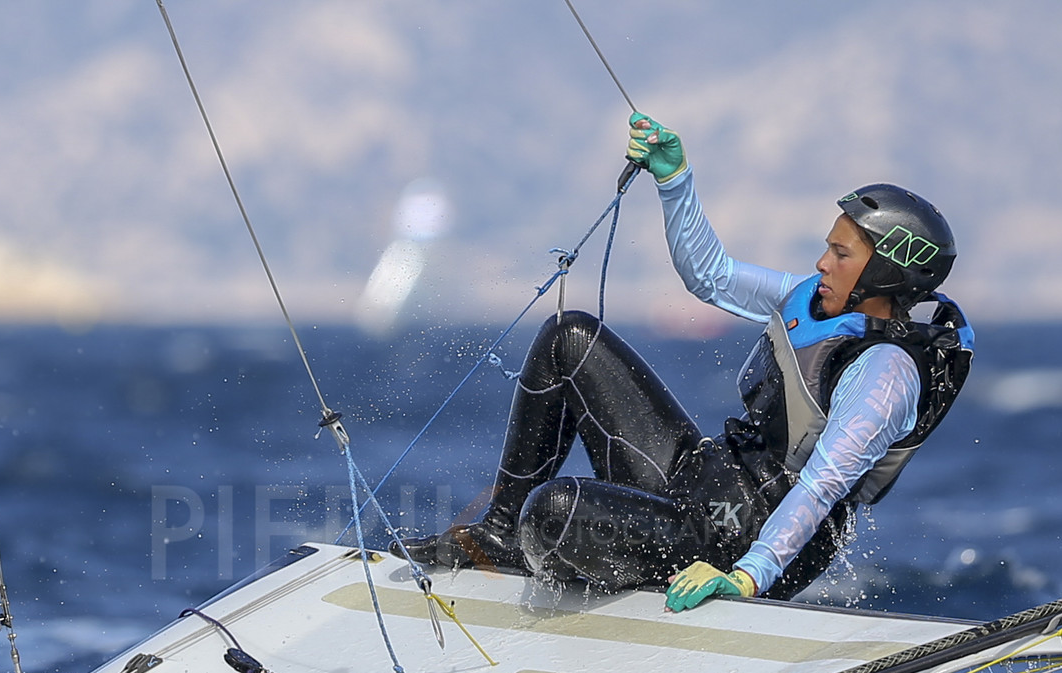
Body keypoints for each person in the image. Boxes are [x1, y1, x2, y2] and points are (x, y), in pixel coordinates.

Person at [398, 114, 974, 607]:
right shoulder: (810, 300)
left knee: (553, 512)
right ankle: (498, 537)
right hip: (698, 482)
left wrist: (747, 578)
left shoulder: (886, 374)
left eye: (841, 253)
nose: (822, 262)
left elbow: (822, 487)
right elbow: (712, 276)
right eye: (828, 246)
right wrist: (674, 179)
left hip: (737, 543)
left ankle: (628, 584)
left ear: (884, 273)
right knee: (568, 338)